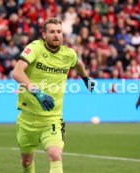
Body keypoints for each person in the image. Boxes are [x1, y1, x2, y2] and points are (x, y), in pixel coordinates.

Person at [12, 18, 95, 173]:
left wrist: (85, 78)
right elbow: (17, 72)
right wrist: (37, 93)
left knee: (55, 155)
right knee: (26, 161)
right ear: (44, 35)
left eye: (59, 31)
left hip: (53, 118)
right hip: (27, 117)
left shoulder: (68, 54)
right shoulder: (35, 48)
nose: (56, 35)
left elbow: (79, 64)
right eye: (52, 32)